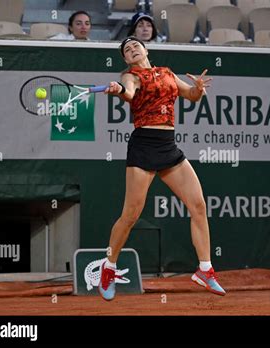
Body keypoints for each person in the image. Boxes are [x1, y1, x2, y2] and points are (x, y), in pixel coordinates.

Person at [98, 36, 225, 301]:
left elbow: (190, 96)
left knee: (198, 205)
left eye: (135, 46)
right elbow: (130, 93)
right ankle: (108, 268)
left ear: (146, 49)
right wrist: (119, 90)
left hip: (168, 147)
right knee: (130, 215)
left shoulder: (166, 73)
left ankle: (204, 270)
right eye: (127, 50)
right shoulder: (130, 76)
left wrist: (198, 89)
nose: (132, 50)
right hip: (144, 147)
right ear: (125, 59)